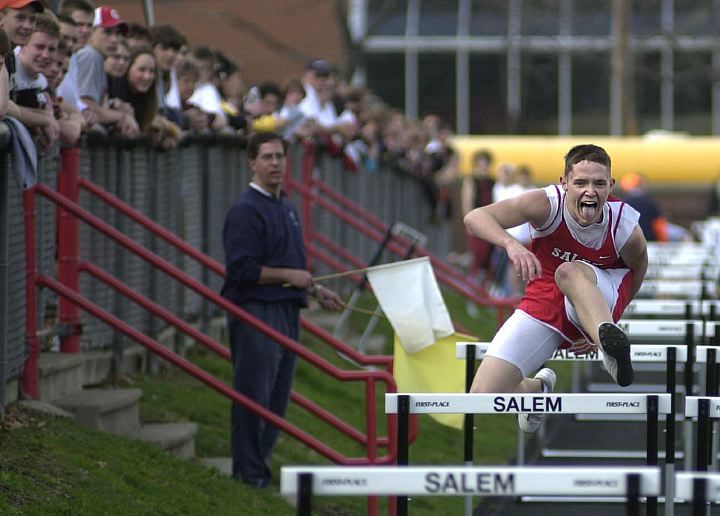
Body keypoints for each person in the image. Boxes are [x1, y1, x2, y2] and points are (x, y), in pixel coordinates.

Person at [464, 144, 648, 433]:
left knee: (569, 270)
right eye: (581, 183)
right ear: (564, 184)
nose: (591, 192)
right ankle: (536, 390)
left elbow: (638, 268)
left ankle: (609, 345)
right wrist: (511, 244)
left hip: (602, 293)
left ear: (611, 185)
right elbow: (475, 217)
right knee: (484, 396)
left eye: (599, 184)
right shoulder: (546, 203)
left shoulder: (624, 225)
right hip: (545, 298)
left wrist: (606, 320)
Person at [221, 131, 343, 487]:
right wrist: (290, 275)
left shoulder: (285, 206)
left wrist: (315, 288)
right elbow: (241, 270)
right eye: (267, 157)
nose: (275, 164)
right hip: (257, 313)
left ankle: (261, 471)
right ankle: (247, 476)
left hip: (287, 312)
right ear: (252, 162)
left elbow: (292, 265)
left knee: (276, 400)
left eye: (280, 157)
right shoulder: (245, 210)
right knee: (253, 398)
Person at [620, 172, 669, 242]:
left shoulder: (623, 203)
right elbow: (659, 226)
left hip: (630, 243)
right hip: (651, 241)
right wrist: (664, 243)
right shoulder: (651, 202)